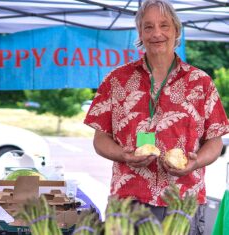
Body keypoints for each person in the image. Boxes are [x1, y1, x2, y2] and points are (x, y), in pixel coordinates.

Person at [84, 0, 229, 234]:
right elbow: (100, 139)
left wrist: (196, 162)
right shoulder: (116, 80)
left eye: (164, 25)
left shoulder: (201, 83)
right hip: (128, 200)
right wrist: (122, 154)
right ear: (140, 33)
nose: (157, 33)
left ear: (177, 30)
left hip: (183, 201)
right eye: (148, 27)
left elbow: (214, 141)